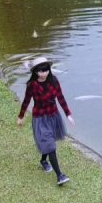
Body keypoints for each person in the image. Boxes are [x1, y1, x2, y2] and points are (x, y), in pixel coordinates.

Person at [17, 57, 74, 186]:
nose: (43, 73)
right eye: (40, 71)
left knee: (49, 141)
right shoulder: (32, 85)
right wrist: (21, 116)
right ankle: (60, 176)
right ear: (35, 72)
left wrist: (68, 114)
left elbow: (60, 97)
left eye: (45, 70)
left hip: (53, 115)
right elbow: (26, 101)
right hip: (40, 118)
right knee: (50, 145)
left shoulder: (54, 80)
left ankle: (43, 161)